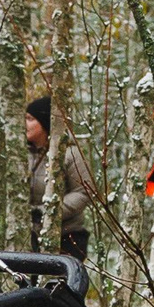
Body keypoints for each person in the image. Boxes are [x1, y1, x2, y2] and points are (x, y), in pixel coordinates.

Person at [25, 96, 98, 261]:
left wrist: (48, 212)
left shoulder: (69, 154)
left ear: (44, 122)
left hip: (66, 237)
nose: (25, 124)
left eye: (30, 119)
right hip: (30, 237)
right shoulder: (21, 155)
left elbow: (84, 192)